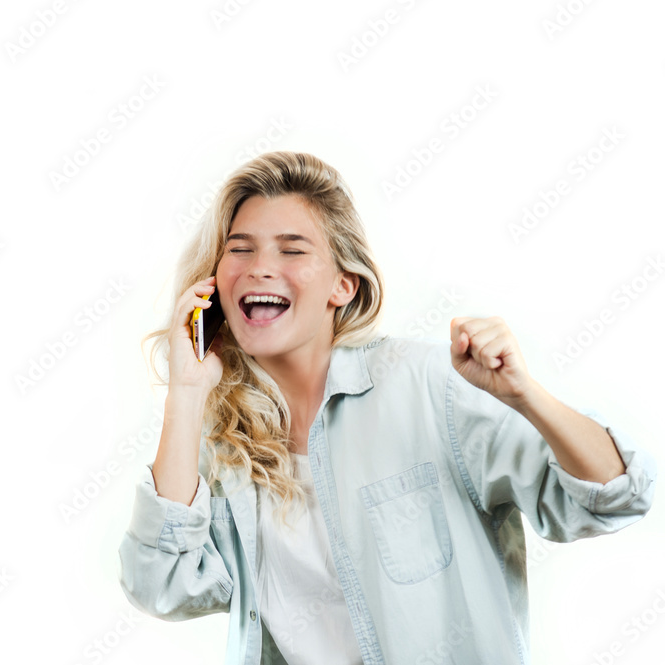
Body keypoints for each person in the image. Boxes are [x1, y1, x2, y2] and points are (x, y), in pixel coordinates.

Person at [117, 151, 657, 665]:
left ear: (343, 285)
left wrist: (525, 394)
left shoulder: (430, 388)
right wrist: (185, 395)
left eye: (292, 248)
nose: (260, 267)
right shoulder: (226, 448)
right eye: (240, 249)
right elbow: (160, 586)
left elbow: (614, 497)